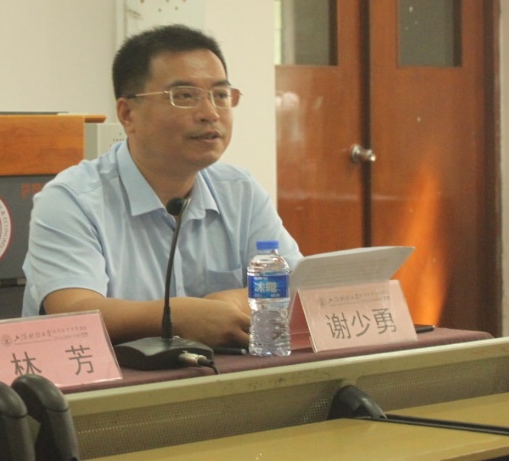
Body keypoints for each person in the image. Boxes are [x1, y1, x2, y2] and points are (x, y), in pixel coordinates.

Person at [22, 24, 302, 348]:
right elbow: (72, 311)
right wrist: (175, 317)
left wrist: (229, 303)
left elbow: (299, 286)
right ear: (128, 114)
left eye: (221, 95)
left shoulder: (240, 191)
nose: (210, 113)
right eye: (184, 96)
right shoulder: (71, 200)